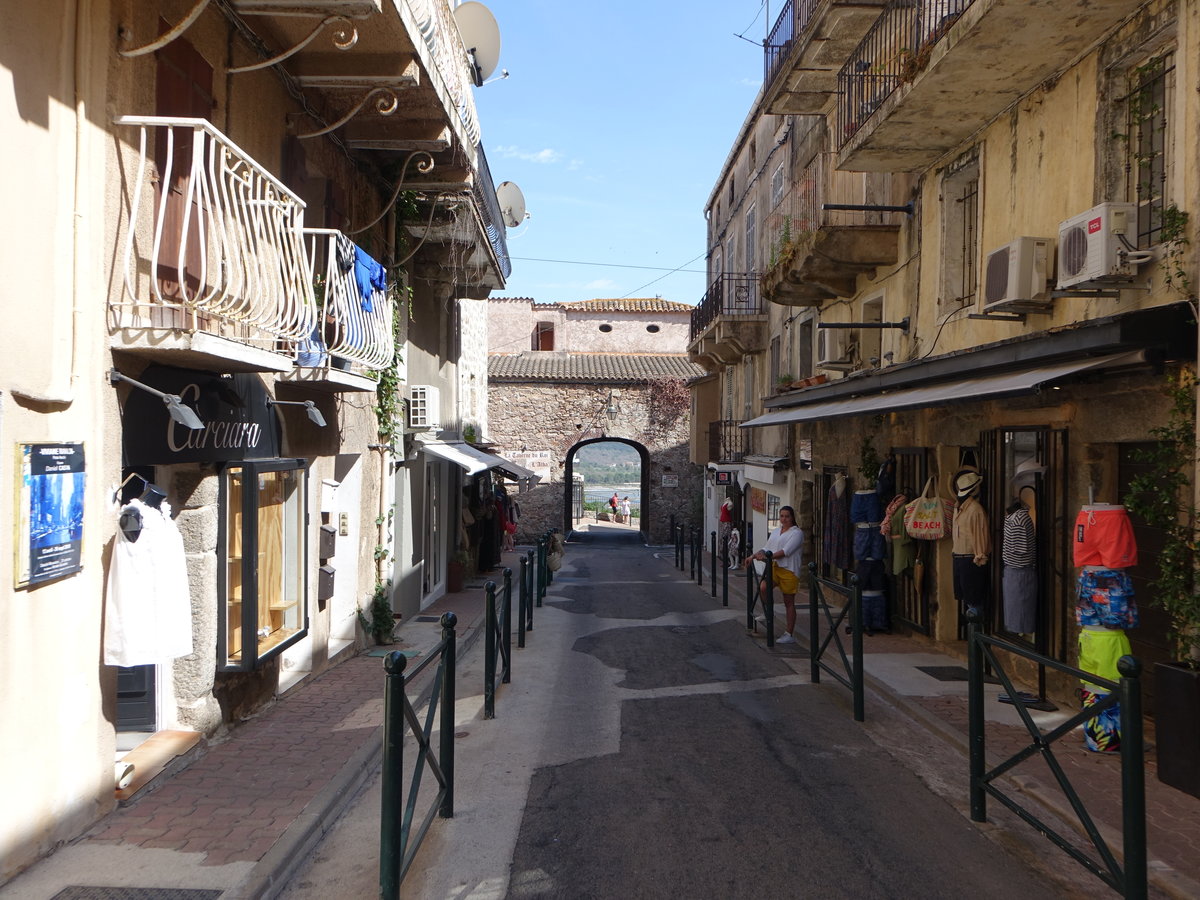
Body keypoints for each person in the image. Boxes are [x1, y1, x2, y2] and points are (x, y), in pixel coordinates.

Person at [743, 505, 804, 643]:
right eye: (781, 516)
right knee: (763, 588)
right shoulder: (777, 531)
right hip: (775, 568)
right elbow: (767, 548)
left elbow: (785, 551)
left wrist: (767, 557)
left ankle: (789, 634)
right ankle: (768, 613)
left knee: (788, 602)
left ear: (792, 517)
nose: (784, 519)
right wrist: (753, 556)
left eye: (787, 516)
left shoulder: (797, 533)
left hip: (789, 570)